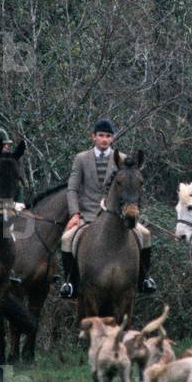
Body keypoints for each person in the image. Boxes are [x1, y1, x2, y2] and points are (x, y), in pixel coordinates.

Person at [59, 119, 156, 299]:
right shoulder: (81, 158)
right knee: (67, 239)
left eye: (108, 136)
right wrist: (75, 213)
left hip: (117, 217)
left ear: (112, 139)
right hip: (88, 215)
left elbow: (133, 188)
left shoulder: (124, 160)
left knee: (146, 235)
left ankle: (144, 279)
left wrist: (132, 210)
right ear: (93, 137)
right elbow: (72, 188)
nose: (104, 139)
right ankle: (70, 283)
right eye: (101, 136)